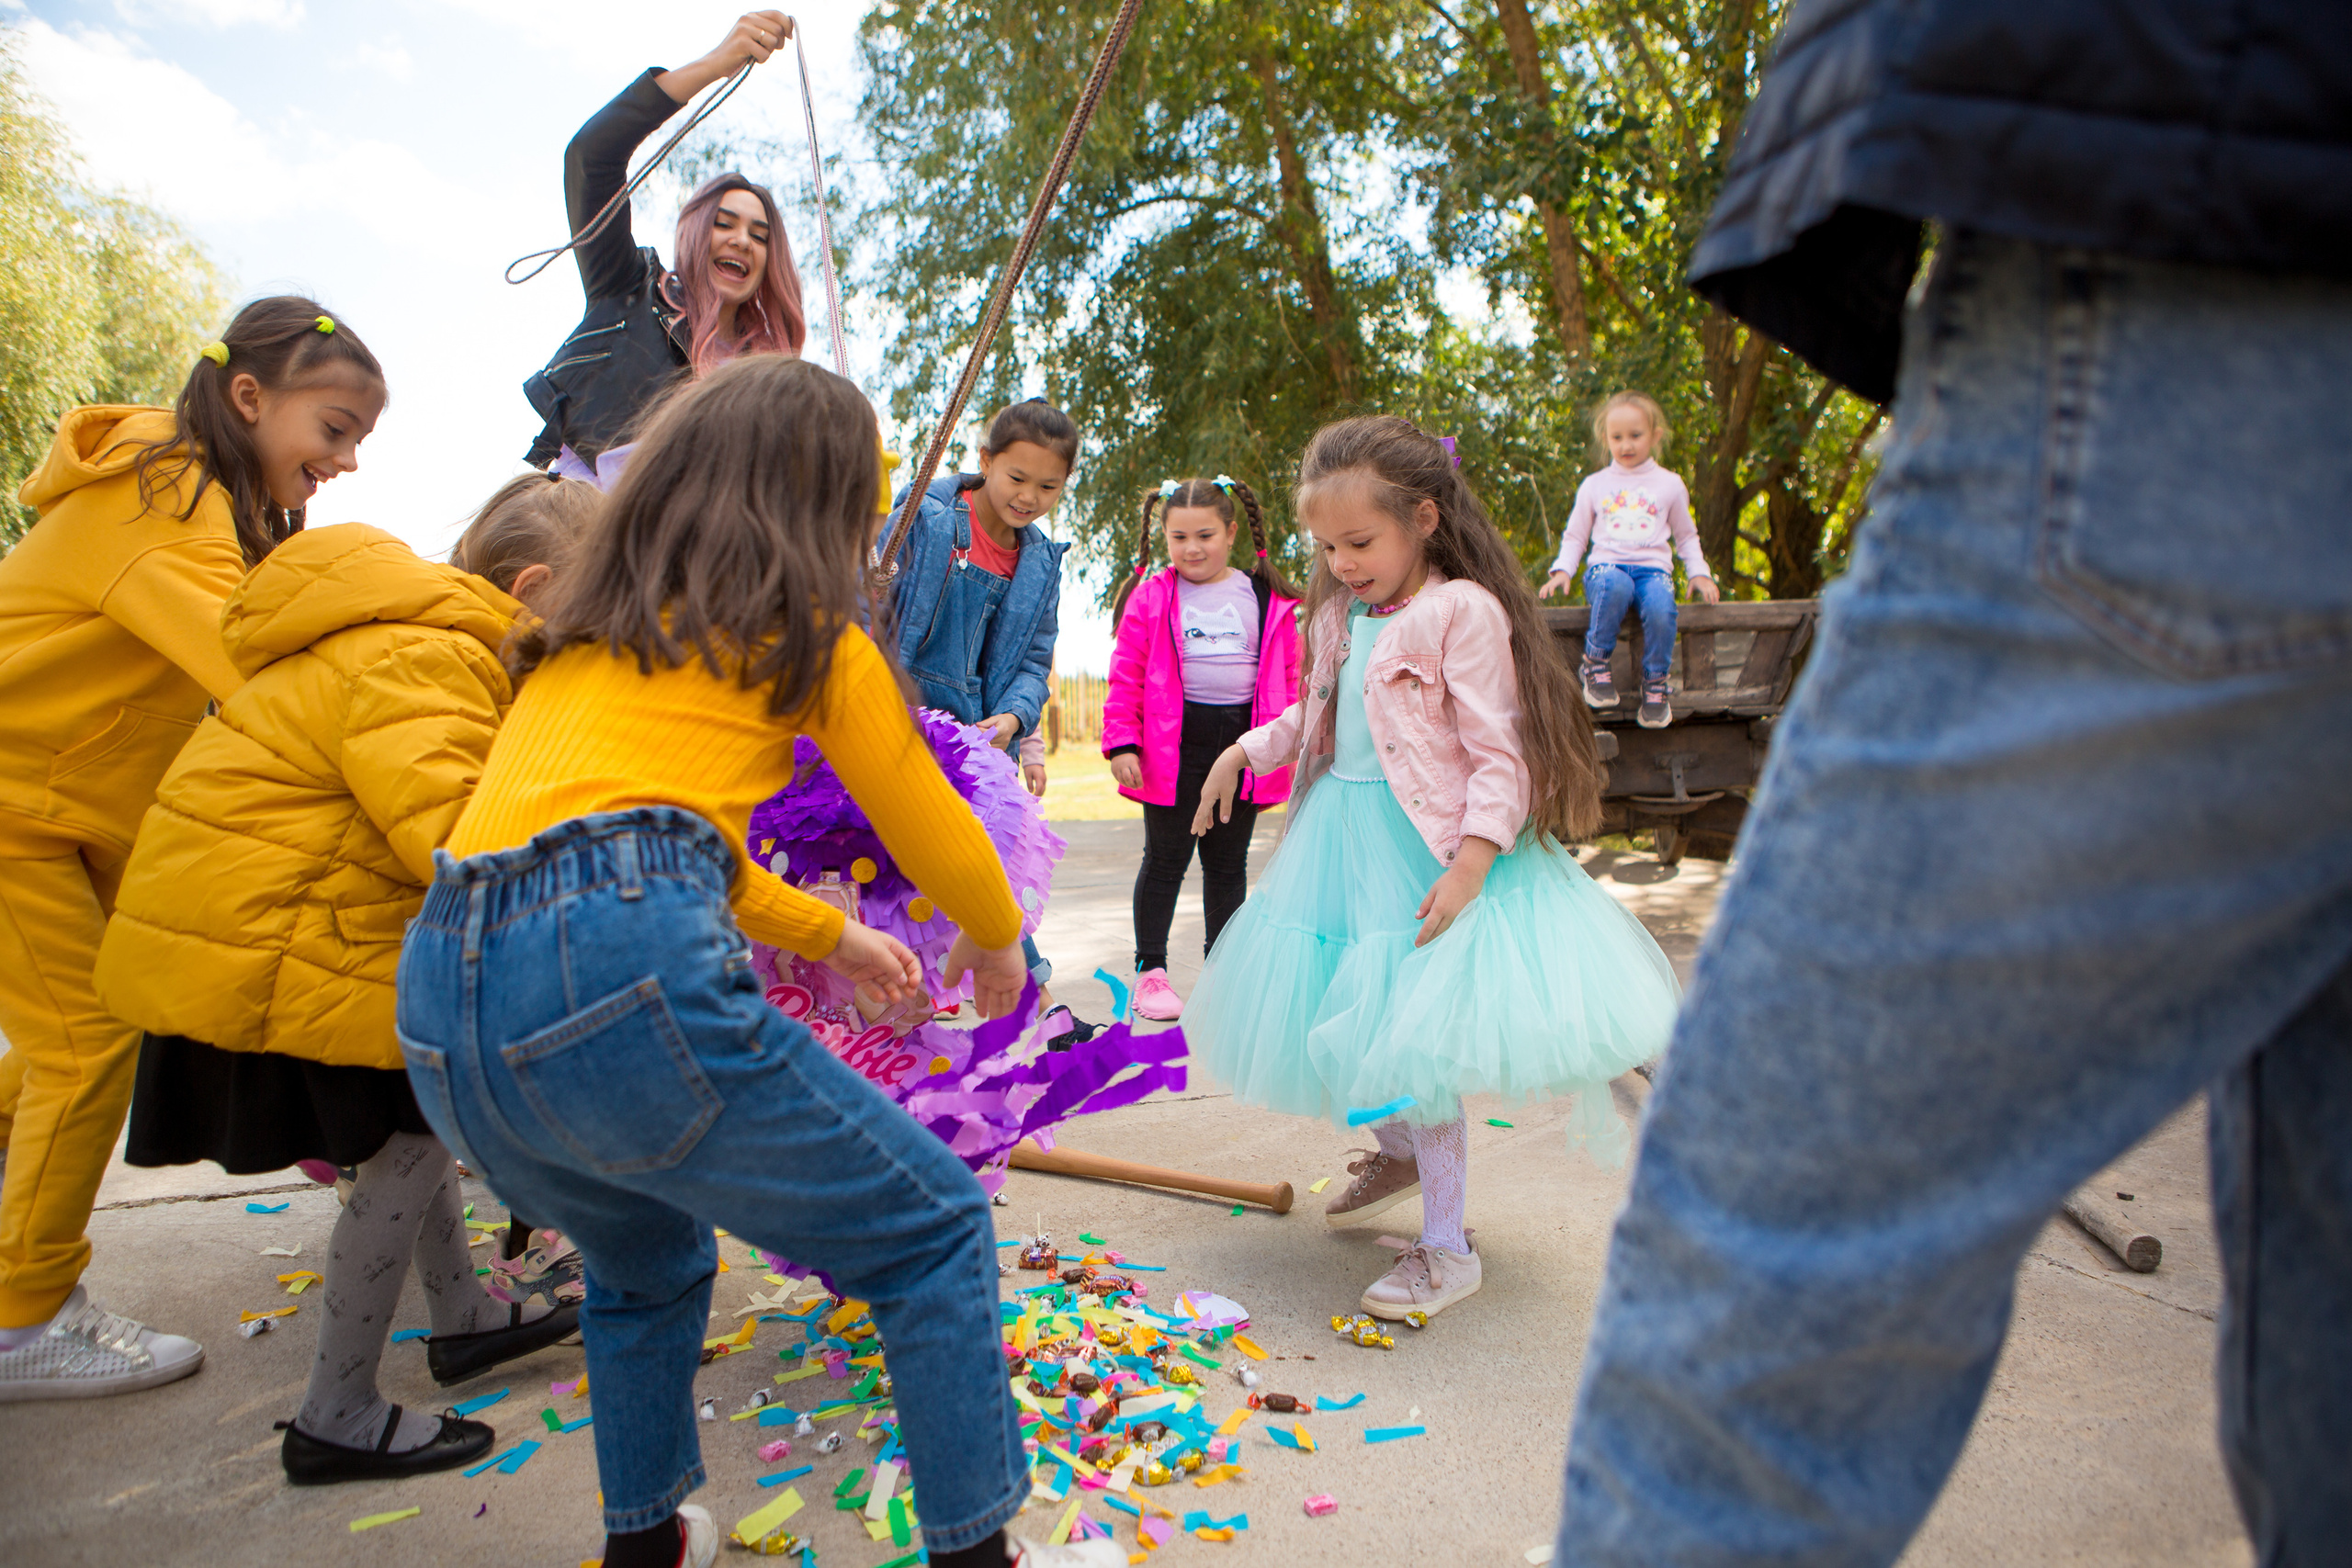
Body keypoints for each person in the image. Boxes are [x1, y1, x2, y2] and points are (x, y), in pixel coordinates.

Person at [1553, 6, 2352, 1565]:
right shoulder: (1601, 487)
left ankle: (1631, 670)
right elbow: (1589, 550)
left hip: (2209, 244)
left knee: (1777, 1302)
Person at [397, 356, 1122, 1568]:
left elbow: (629, 844)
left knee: (648, 1256)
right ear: (832, 508)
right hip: (619, 966)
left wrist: (833, 931)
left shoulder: (584, 638)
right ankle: (981, 1554)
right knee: (936, 1222)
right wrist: (996, 936)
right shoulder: (805, 635)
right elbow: (929, 821)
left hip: (444, 997)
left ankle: (651, 1537)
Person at [89, 482, 594, 1481]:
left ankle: (462, 1317)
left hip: (294, 930)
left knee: (409, 1133)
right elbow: (457, 840)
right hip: (278, 942)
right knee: (407, 1145)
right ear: (531, 591)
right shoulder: (433, 657)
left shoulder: (416, 638)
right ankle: (337, 1415)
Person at [1183, 416, 1681, 1319]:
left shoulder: (1462, 612)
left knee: (1417, 1046)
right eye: (1326, 545)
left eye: (1360, 542)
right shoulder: (1336, 615)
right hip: (1340, 839)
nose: (1341, 561)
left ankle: (1447, 1250)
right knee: (1324, 1017)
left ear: (1423, 518)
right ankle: (1403, 1150)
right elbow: (1318, 720)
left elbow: (1501, 754)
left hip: (1429, 854)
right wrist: (1243, 753)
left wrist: (1472, 864)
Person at [0, 298, 383, 1400]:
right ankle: (27, 1316)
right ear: (250, 399)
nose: (345, 460)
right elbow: (255, 666)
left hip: (55, 809)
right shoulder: (161, 492)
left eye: (359, 440)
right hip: (20, 802)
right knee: (83, 1048)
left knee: (51, 1050)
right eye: (335, 429)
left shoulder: (203, 504)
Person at [886, 400, 1098, 1046]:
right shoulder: (923, 516)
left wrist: (1012, 720)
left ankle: (1037, 1002)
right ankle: (896, 1006)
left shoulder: (1040, 564)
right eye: (1017, 478)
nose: (1030, 497)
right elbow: (867, 593)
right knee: (891, 868)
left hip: (978, 732)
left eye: (1049, 486)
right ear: (984, 462)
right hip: (896, 712)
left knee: (987, 867)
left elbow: (1034, 659)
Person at [523, 10, 807, 468]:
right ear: (694, 232)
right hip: (579, 524)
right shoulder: (628, 288)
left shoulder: (769, 380)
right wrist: (716, 63)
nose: (742, 241)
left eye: (760, 235)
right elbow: (591, 157)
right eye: (724, 223)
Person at [1102, 476, 1302, 1021]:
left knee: (1226, 862)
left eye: (1206, 535)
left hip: (1242, 746)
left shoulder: (1266, 596)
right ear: (1163, 538)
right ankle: (1151, 972)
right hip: (1171, 746)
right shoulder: (1152, 596)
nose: (1192, 548)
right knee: (1165, 860)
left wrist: (1293, 740)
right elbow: (1126, 675)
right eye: (1179, 537)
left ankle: (1223, 974)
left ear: (1232, 532)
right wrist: (1123, 741)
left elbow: (1291, 673)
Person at [1539, 391, 1719, 728]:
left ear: (1655, 436)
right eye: (1616, 437)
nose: (1625, 445)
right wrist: (1563, 570)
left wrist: (1699, 573)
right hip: (1606, 568)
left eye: (1635, 436)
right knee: (1615, 585)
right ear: (1606, 439)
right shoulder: (1595, 485)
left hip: (1653, 571)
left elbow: (1686, 536)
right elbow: (1576, 535)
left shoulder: (1670, 484)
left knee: (1662, 609)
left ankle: (1655, 683)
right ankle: (1595, 663)